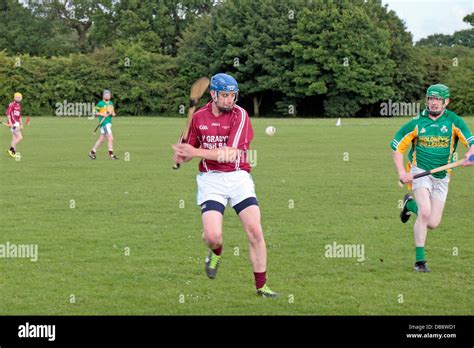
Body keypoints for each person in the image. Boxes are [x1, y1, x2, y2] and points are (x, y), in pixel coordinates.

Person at [172, 73, 278, 297]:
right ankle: (216, 252)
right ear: (213, 94)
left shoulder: (240, 115)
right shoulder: (199, 117)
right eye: (226, 95)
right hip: (211, 180)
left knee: (255, 232)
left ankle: (262, 286)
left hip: (238, 176)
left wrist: (195, 152)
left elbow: (230, 154)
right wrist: (182, 155)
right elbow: (188, 150)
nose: (230, 100)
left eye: (233, 95)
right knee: (212, 236)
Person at [391, 84, 474, 272]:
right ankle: (420, 262)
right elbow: (397, 149)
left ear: (446, 102)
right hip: (420, 172)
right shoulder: (416, 123)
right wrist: (402, 173)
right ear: (427, 100)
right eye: (431, 99)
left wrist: (471, 154)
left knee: (433, 223)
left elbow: (472, 142)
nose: (434, 103)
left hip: (443, 176)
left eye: (438, 99)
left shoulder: (454, 122)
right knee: (425, 212)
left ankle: (409, 205)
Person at [89, 89, 118, 160]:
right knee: (111, 138)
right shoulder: (100, 103)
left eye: (109, 95)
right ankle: (111, 155)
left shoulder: (111, 103)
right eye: (106, 95)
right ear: (103, 96)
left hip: (109, 123)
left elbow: (113, 113)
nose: (108, 96)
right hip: (104, 123)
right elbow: (93, 112)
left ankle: (92, 152)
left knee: (101, 140)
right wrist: (102, 114)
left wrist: (112, 114)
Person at [5, 92, 24, 158]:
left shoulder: (19, 105)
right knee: (20, 137)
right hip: (13, 123)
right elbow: (8, 114)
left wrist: (22, 124)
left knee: (14, 138)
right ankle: (11, 149)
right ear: (14, 97)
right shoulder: (12, 104)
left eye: (19, 97)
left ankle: (13, 152)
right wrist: (10, 123)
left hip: (17, 123)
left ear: (21, 98)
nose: (18, 98)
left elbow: (19, 116)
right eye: (17, 97)